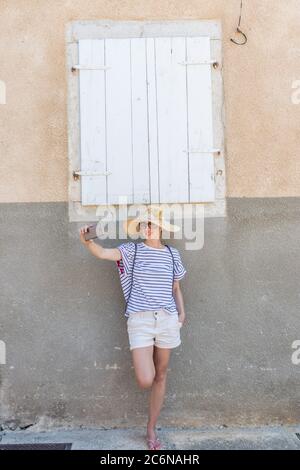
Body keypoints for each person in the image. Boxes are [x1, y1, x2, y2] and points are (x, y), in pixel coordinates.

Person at [79, 205, 187, 450]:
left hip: (168, 319)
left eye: (152, 224)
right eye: (144, 225)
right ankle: (150, 427)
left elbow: (176, 288)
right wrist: (87, 242)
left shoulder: (172, 254)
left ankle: (151, 429)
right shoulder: (131, 251)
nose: (148, 228)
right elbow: (104, 253)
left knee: (161, 375)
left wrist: (182, 312)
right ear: (140, 229)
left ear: (161, 228)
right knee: (145, 379)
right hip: (140, 321)